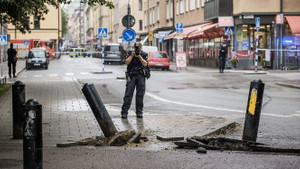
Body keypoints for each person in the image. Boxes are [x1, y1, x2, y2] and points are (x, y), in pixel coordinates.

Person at [121, 42, 148, 119]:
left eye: (138, 47)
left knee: (140, 95)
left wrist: (139, 57)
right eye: (136, 47)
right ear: (134, 47)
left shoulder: (144, 54)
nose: (137, 49)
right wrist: (132, 56)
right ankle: (124, 112)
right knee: (128, 95)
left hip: (141, 76)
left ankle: (139, 112)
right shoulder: (130, 53)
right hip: (132, 75)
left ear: (141, 47)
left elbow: (145, 64)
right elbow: (126, 62)